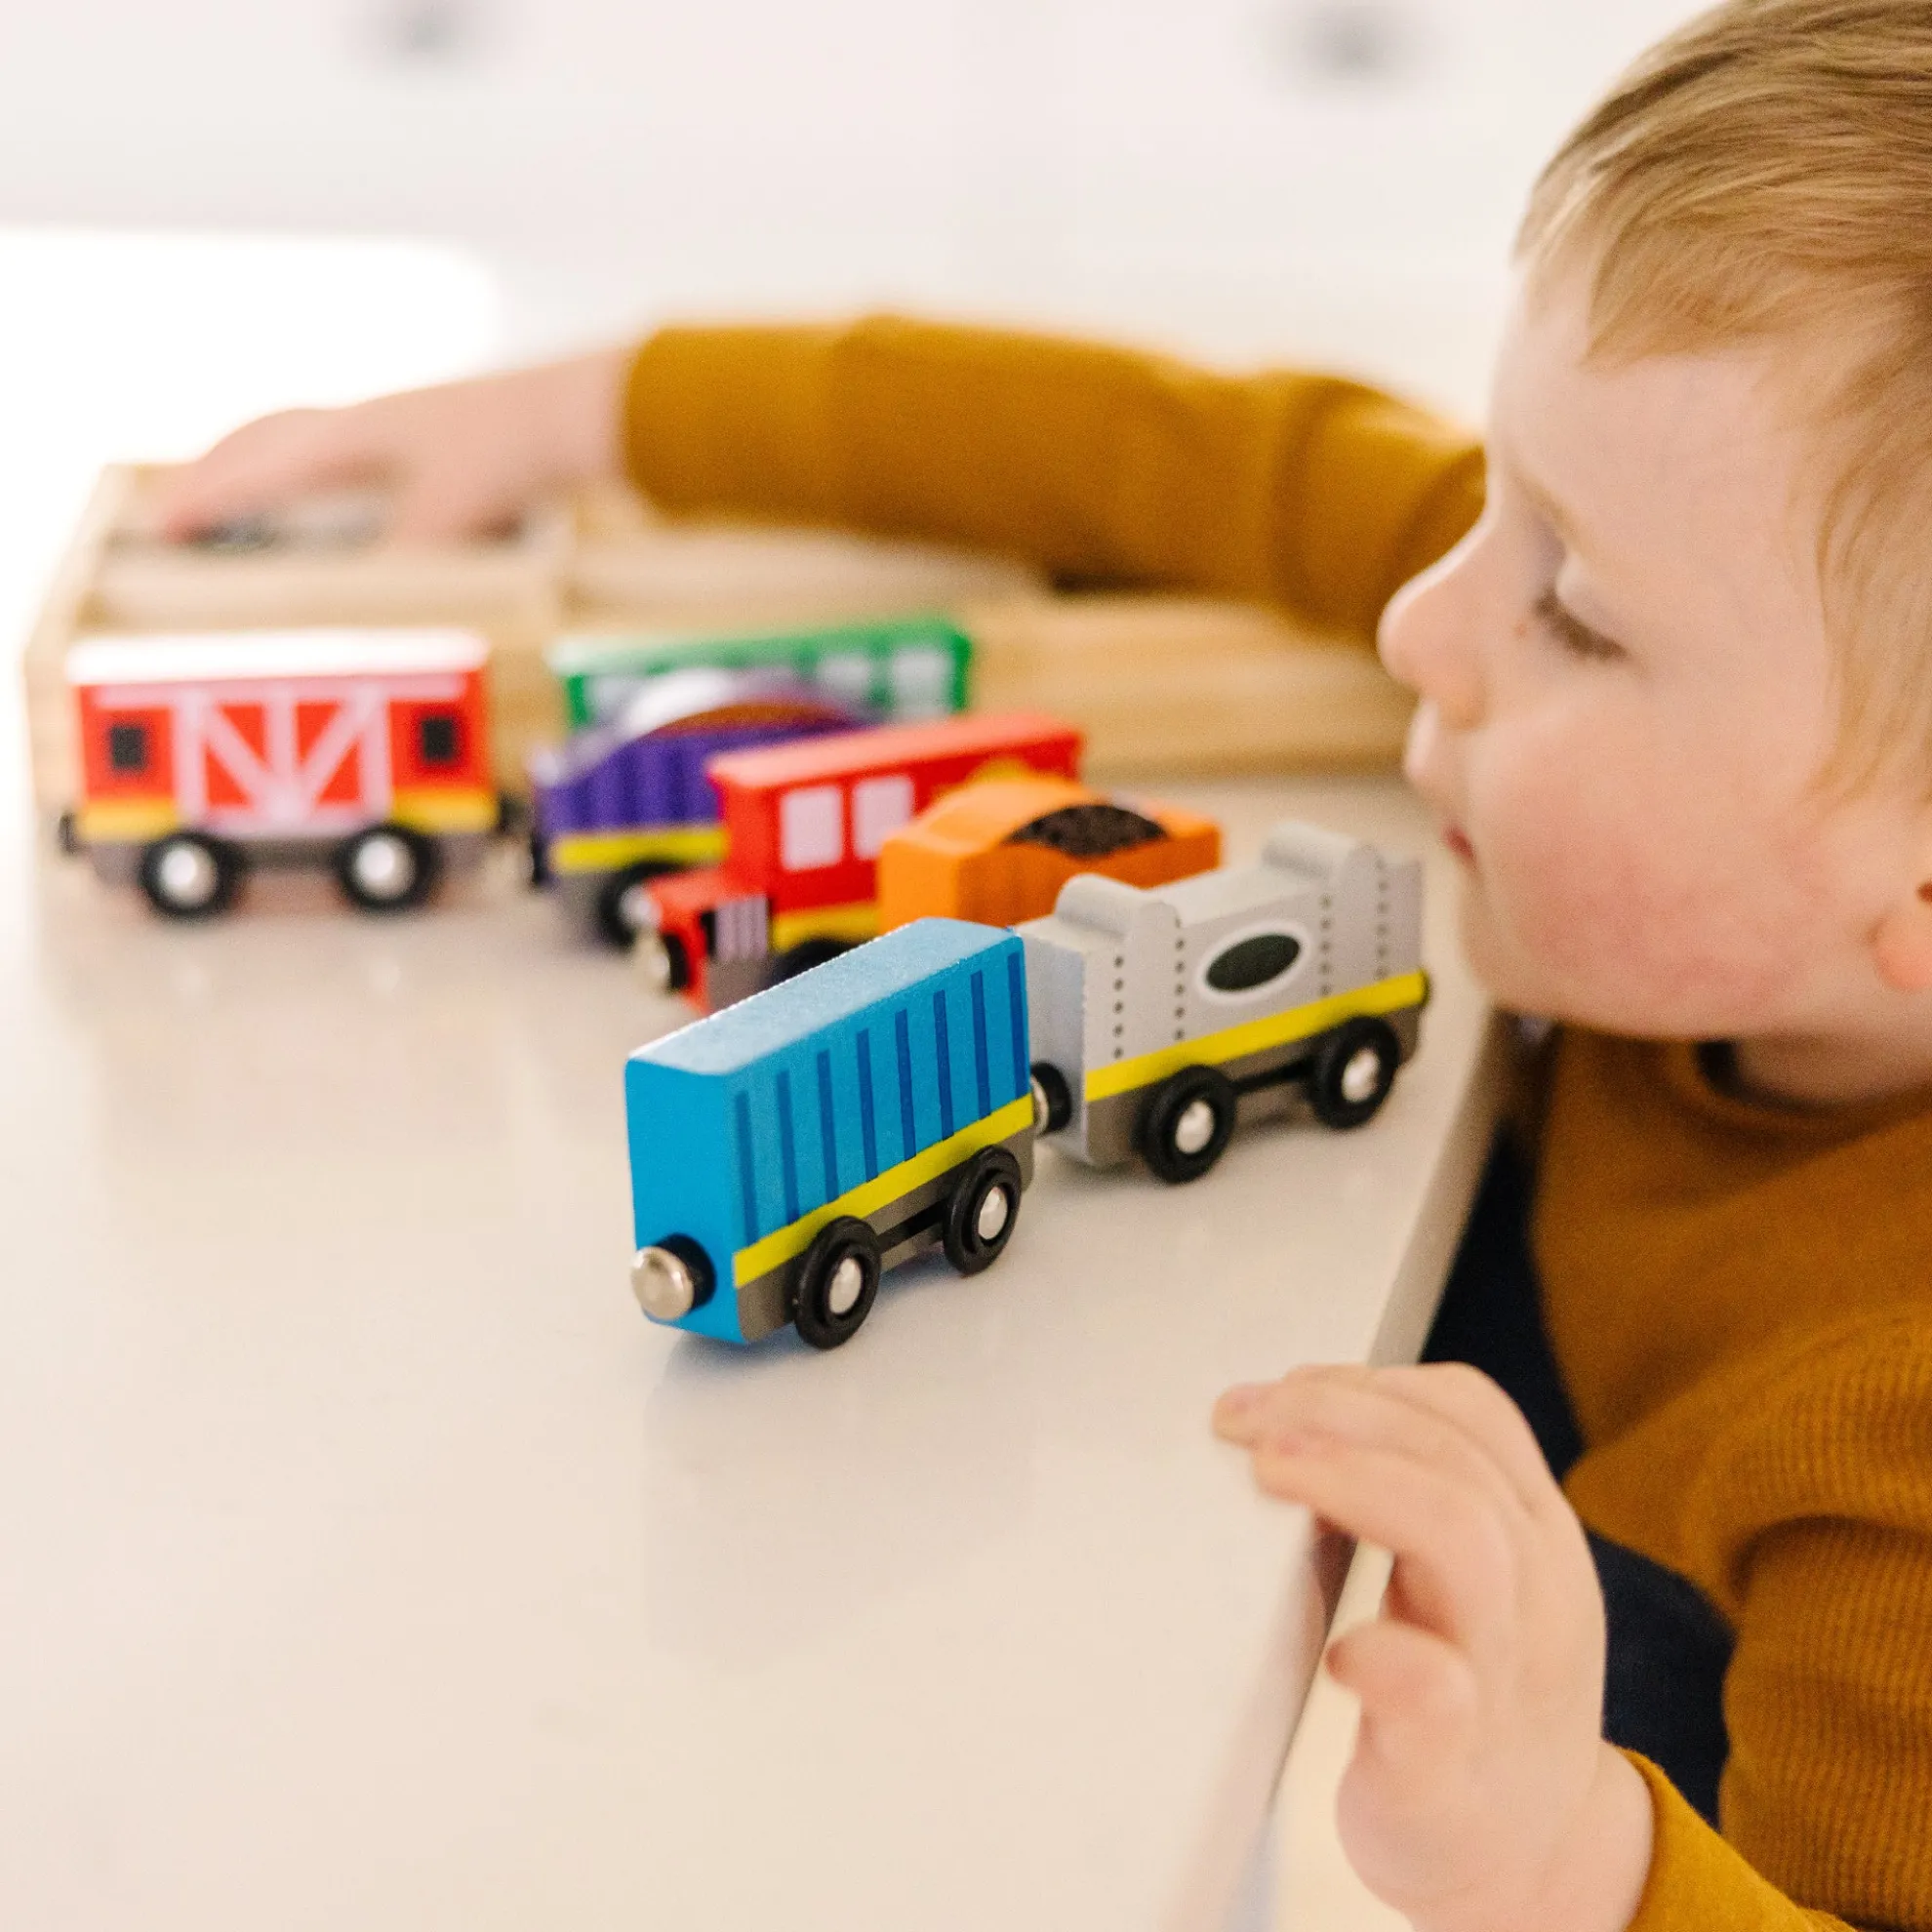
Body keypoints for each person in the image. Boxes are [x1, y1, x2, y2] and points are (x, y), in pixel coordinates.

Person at [157, 3, 1932, 1926]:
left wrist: (1585, 1860)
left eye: (1571, 611)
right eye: (1496, 497)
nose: (1426, 613)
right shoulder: (1766, 706)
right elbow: (1169, 446)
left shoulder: (1895, 1437)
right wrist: (596, 407)